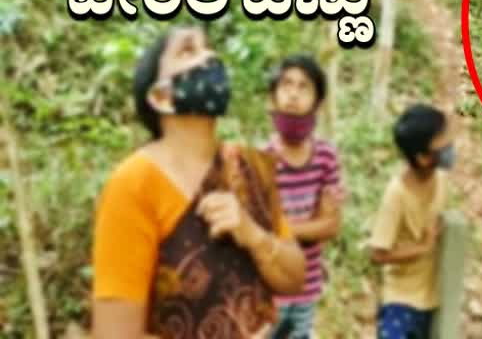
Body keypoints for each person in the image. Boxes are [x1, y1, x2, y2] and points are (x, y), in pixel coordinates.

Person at [90, 26, 306, 339]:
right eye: (189, 51)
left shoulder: (248, 167)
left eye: (209, 48)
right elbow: (114, 334)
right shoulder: (134, 184)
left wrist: (253, 235)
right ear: (161, 96)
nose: (210, 57)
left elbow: (294, 278)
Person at [265, 55, 344, 339]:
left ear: (317, 101)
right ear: (273, 97)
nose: (293, 94)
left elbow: (331, 226)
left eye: (303, 86)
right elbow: (261, 230)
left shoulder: (326, 157)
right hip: (267, 288)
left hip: (306, 287)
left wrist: (283, 227)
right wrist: (311, 225)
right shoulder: (261, 160)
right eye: (286, 85)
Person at [369, 104, 455, 339]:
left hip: (432, 298)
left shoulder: (441, 181)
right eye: (443, 142)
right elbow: (377, 254)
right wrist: (422, 248)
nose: (450, 145)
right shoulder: (396, 195)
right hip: (401, 300)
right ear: (423, 157)